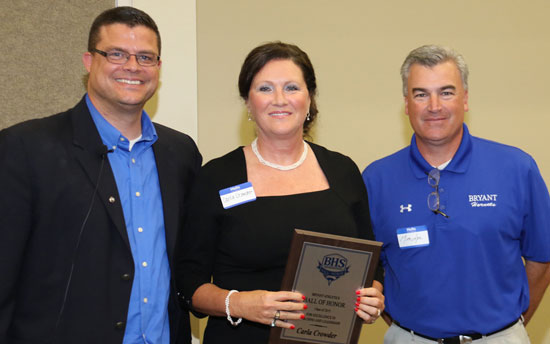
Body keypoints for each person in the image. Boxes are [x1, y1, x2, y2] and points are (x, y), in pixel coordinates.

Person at [0, 6, 201, 344]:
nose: (132, 67)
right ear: (89, 61)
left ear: (159, 68)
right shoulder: (24, 148)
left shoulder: (180, 153)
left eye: (146, 57)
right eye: (117, 54)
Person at [174, 41, 384, 343]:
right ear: (248, 102)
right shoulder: (217, 177)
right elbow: (189, 286)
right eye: (265, 89)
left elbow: (372, 265)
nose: (280, 100)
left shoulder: (343, 172)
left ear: (309, 99)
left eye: (291, 88)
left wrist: (373, 294)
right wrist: (242, 304)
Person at [362, 44, 550, 343]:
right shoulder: (375, 179)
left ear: (465, 99)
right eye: (421, 94)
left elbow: (542, 260)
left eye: (446, 92)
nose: (434, 106)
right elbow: (369, 270)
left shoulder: (517, 168)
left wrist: (510, 327)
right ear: (406, 103)